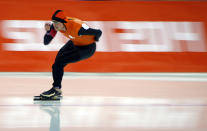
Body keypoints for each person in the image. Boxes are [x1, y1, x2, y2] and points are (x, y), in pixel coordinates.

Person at [40, 10, 102, 98]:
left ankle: (56, 89)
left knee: (59, 62)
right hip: (75, 42)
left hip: (87, 48)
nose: (55, 25)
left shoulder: (77, 27)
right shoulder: (55, 27)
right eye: (53, 22)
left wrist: (95, 39)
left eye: (57, 23)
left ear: (63, 22)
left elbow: (98, 32)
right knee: (57, 63)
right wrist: (48, 31)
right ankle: (56, 89)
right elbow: (46, 42)